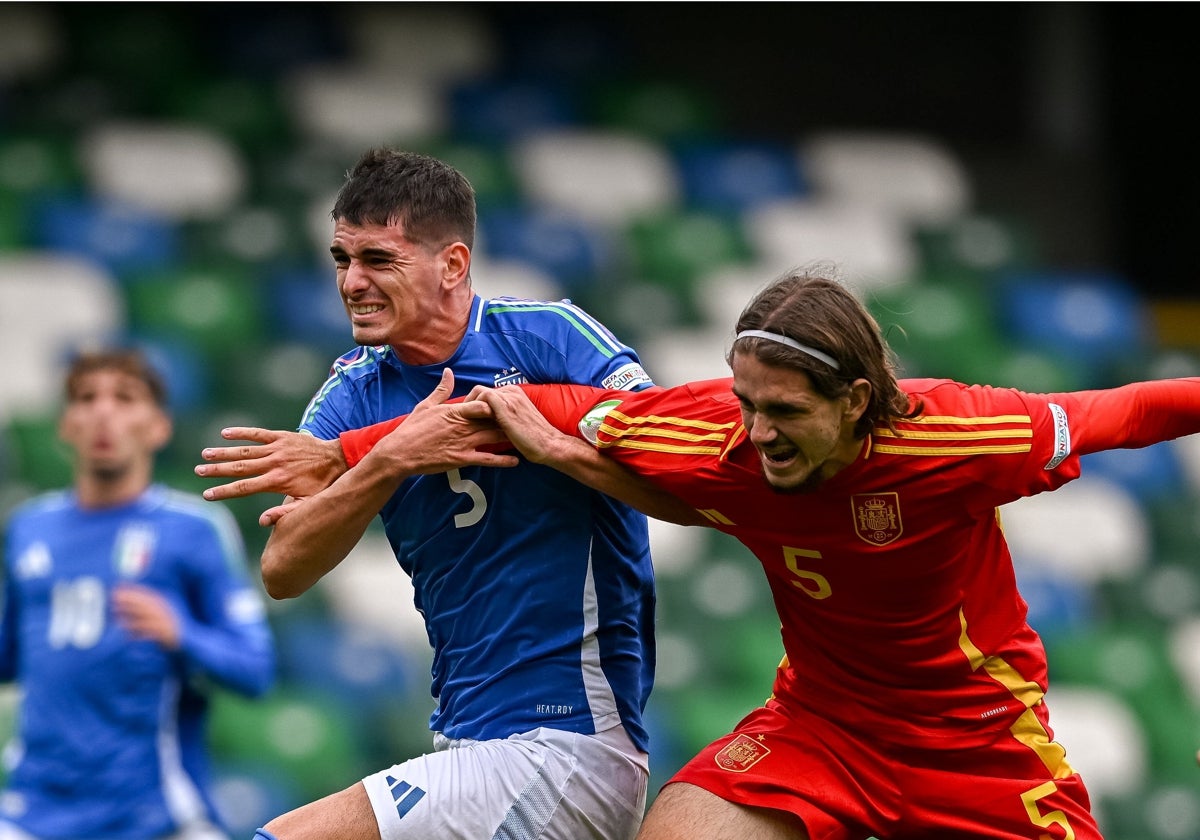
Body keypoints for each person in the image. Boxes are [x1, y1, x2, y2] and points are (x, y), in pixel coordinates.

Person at [203, 267, 1200, 839]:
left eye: (787, 413)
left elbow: (1137, 409)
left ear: (857, 404)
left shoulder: (958, 435)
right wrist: (342, 449)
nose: (758, 433)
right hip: (821, 729)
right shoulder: (712, 433)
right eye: (747, 402)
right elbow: (522, 405)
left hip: (973, 748)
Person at [198, 147, 673, 840]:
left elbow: (666, 439)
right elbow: (284, 569)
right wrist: (386, 461)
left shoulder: (548, 336)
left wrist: (529, 435)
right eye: (341, 259)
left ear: (452, 264)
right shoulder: (351, 395)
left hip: (568, 740)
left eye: (379, 261)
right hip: (468, 740)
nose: (352, 282)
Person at [0, 348, 276, 840]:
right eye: (86, 398)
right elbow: (7, 659)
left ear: (159, 427)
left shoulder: (193, 529)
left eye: (125, 398)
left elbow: (254, 669)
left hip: (153, 813)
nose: (104, 412)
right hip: (35, 810)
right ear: (66, 425)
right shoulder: (28, 528)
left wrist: (181, 634)